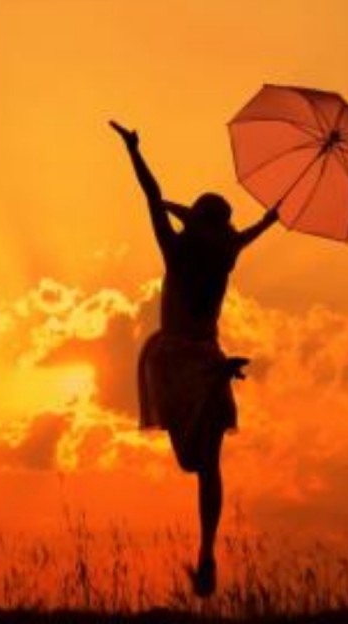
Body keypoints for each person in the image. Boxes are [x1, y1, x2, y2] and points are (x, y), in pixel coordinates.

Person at [110, 120, 278, 597]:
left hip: (173, 362)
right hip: (209, 360)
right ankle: (206, 550)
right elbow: (248, 230)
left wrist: (134, 150)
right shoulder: (227, 252)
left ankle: (205, 555)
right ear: (222, 228)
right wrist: (271, 218)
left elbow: (152, 195)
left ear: (195, 223)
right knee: (208, 466)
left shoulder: (178, 249)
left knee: (194, 460)